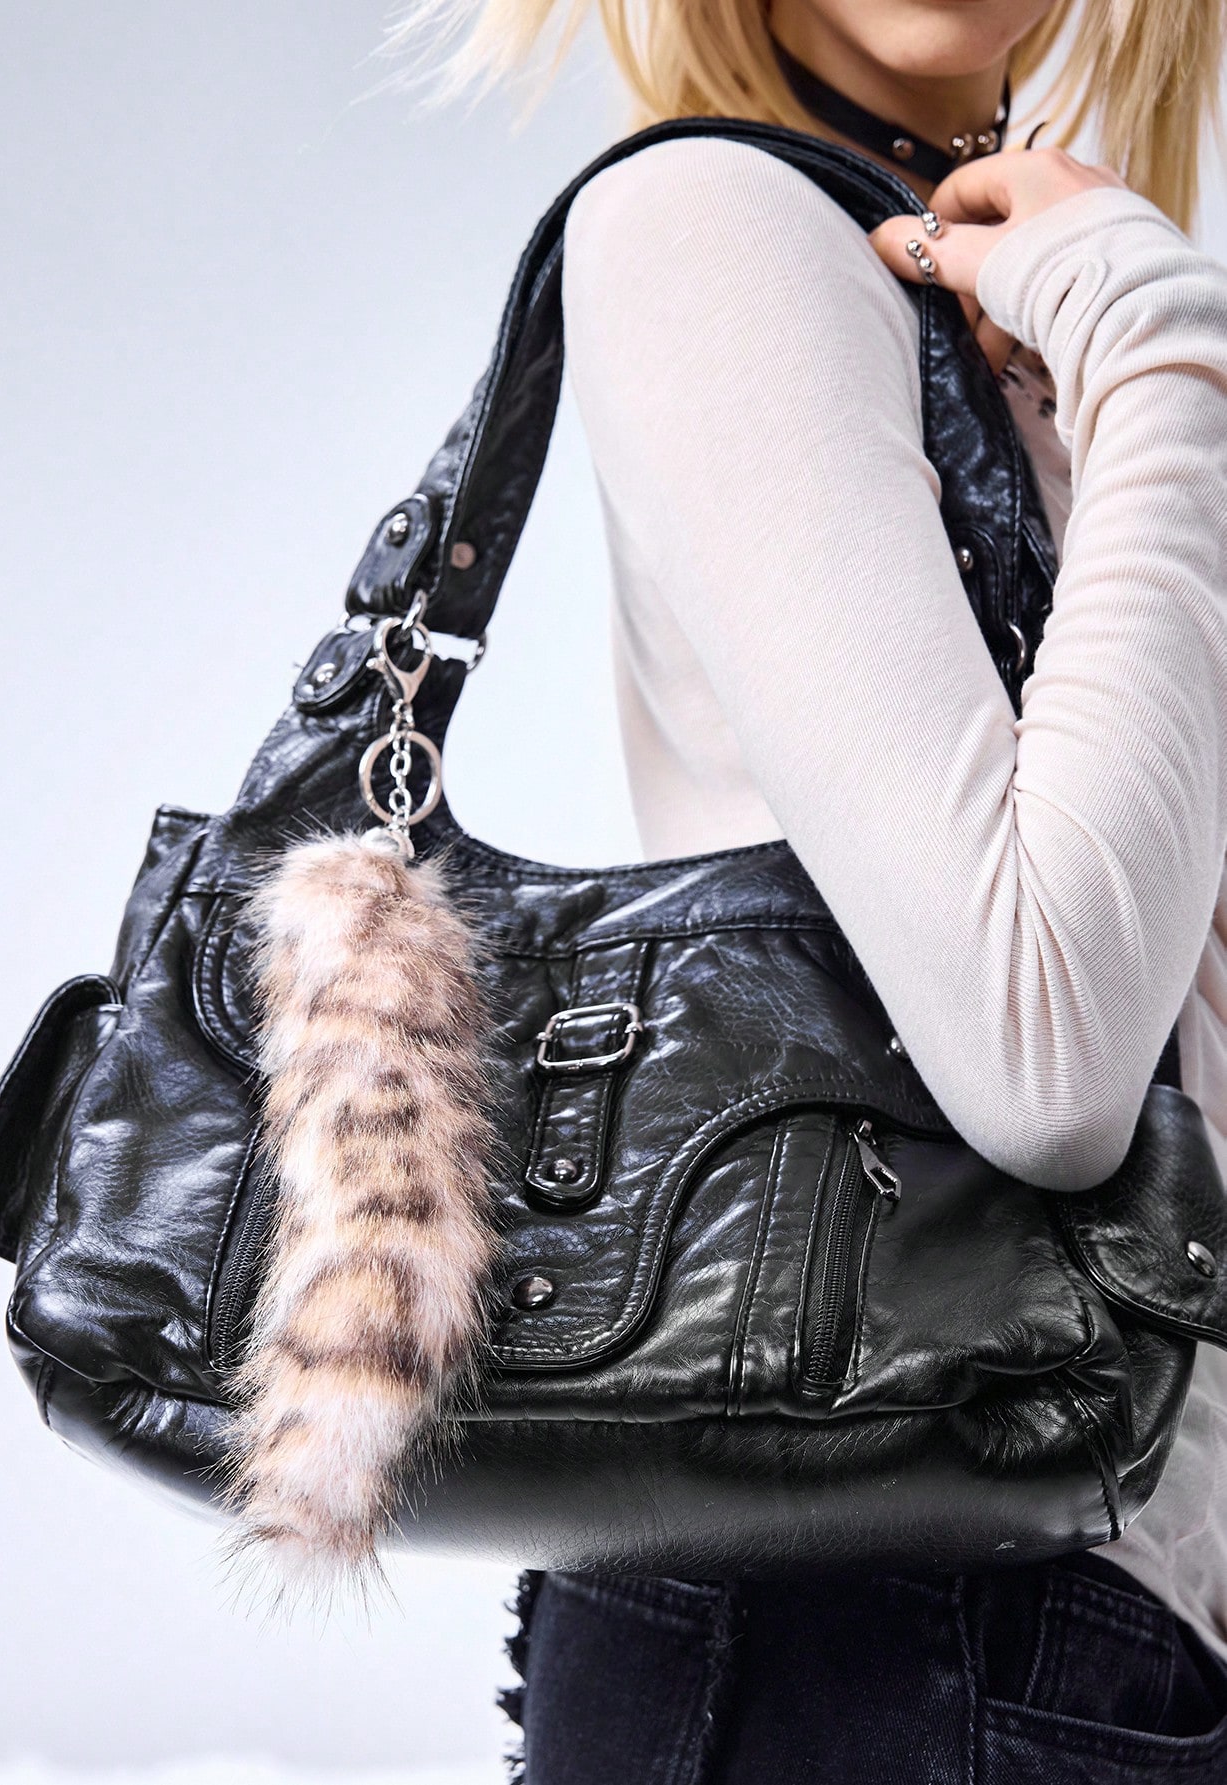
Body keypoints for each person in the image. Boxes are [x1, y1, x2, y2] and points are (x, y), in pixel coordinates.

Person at [398, 1, 1227, 1777]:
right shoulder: (719, 219)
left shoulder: (1049, 300)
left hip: (1063, 1616)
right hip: (882, 1626)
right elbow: (1049, 1048)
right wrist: (1169, 356)